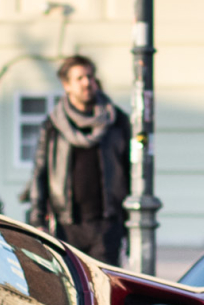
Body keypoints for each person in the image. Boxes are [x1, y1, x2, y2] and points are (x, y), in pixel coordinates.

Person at [30, 56, 130, 259]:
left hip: (107, 223)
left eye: (90, 77)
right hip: (67, 225)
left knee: (104, 286)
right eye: (80, 78)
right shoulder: (53, 125)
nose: (87, 82)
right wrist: (37, 220)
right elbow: (40, 172)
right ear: (66, 85)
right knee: (71, 288)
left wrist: (127, 220)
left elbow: (130, 169)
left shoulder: (116, 120)